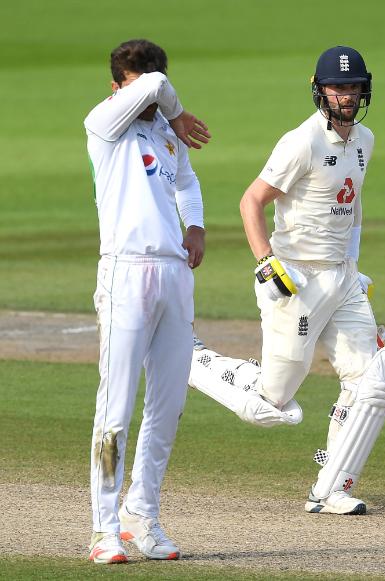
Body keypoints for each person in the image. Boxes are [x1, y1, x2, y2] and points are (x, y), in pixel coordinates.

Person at [189, 45, 385, 516]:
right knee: (273, 403)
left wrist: (354, 265)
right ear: (320, 90)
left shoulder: (364, 140)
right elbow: (251, 201)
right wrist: (266, 262)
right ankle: (190, 357)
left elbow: (353, 207)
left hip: (340, 279)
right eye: (339, 87)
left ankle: (332, 486)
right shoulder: (302, 142)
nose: (347, 95)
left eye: (354, 86)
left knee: (373, 380)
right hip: (295, 281)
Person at [84, 39, 211, 564]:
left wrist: (196, 225)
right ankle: (104, 528)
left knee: (168, 406)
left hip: (174, 275)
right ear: (118, 88)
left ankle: (143, 515)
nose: (149, 91)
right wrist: (174, 109)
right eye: (135, 83)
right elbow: (156, 86)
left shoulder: (165, 132)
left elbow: (187, 182)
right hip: (126, 272)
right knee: (116, 408)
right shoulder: (103, 124)